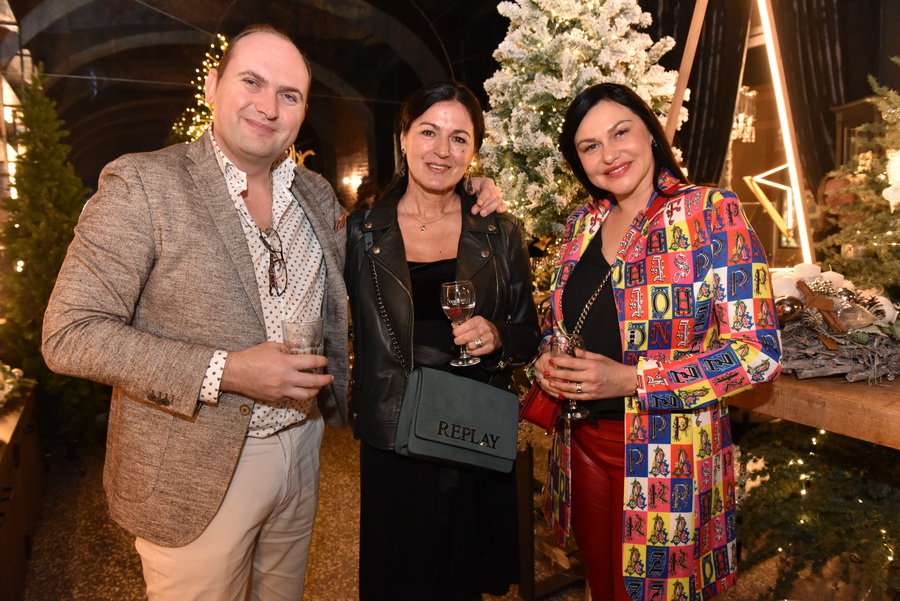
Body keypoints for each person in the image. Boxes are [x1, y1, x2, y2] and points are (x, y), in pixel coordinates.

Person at [41, 24, 506, 601]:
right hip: (196, 466)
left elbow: (396, 255)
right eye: (252, 82)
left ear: (303, 111)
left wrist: (469, 190)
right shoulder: (144, 184)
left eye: (289, 94)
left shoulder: (315, 194)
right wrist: (229, 370)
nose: (268, 107)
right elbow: (70, 333)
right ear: (212, 85)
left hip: (302, 449)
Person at [532, 83, 782, 600]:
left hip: (669, 452)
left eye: (620, 132)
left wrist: (633, 380)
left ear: (649, 131)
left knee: (655, 592)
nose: (609, 154)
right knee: (603, 588)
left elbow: (758, 355)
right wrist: (546, 357)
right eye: (590, 146)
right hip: (580, 444)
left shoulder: (709, 211)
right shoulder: (582, 223)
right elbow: (563, 322)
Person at [344, 81, 539, 600]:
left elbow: (529, 336)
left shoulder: (499, 233)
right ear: (404, 138)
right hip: (394, 430)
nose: (442, 150)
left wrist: (498, 335)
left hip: (468, 428)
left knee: (461, 579)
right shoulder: (361, 233)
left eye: (459, 138)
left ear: (473, 151)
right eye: (429, 132)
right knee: (397, 578)